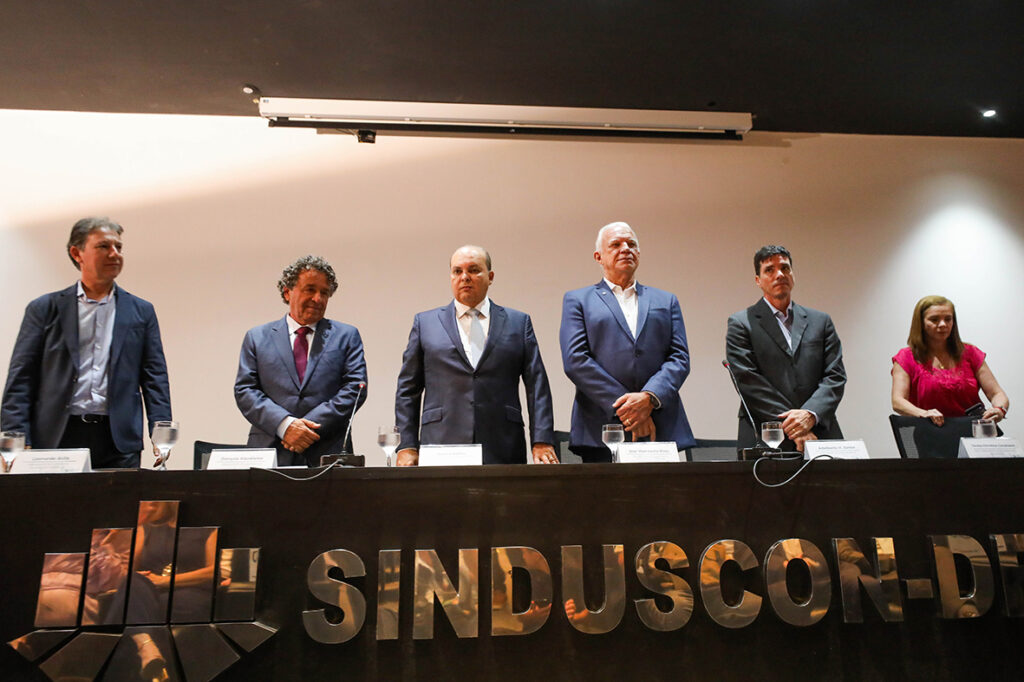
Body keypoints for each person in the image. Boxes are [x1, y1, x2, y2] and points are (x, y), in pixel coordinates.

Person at [1, 217, 171, 468]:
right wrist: (14, 437)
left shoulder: (141, 311)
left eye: (118, 247)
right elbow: (21, 377)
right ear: (77, 253)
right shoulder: (44, 309)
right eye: (103, 246)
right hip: (57, 435)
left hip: (118, 439)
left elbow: (154, 376)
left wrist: (161, 432)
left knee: (119, 496)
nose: (114, 254)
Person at [394, 245, 557, 465]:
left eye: (473, 270)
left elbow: (537, 386)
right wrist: (406, 445)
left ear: (490, 277)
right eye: (457, 271)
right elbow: (408, 390)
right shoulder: (425, 323)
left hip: (503, 442)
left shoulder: (518, 323)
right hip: (441, 442)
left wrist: (542, 440)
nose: (465, 277)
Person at [560, 221, 695, 462]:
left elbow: (679, 358)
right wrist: (631, 409)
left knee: (663, 488)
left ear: (639, 253)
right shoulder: (578, 300)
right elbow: (575, 360)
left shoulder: (666, 300)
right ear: (598, 257)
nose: (625, 249)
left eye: (631, 244)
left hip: (659, 422)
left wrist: (649, 398)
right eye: (616, 244)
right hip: (602, 426)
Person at [234, 255, 367, 466]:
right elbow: (245, 391)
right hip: (270, 450)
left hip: (327, 451)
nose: (318, 299)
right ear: (287, 292)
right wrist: (285, 425)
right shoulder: (257, 337)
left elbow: (355, 388)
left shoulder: (346, 336)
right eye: (310, 289)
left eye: (324, 293)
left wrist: (306, 429)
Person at [725, 245, 846, 451]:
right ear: (758, 280)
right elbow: (748, 381)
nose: (779, 274)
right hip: (766, 432)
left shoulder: (820, 321)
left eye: (785, 268)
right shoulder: (741, 323)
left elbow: (835, 375)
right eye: (769, 270)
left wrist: (809, 414)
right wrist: (796, 426)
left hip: (819, 429)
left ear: (793, 275)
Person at [891, 295, 1008, 426]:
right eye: (934, 319)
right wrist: (923, 413)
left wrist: (999, 409)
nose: (943, 324)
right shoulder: (906, 357)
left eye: (948, 319)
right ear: (921, 323)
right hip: (929, 429)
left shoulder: (970, 353)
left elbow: (996, 393)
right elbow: (898, 401)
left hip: (973, 430)